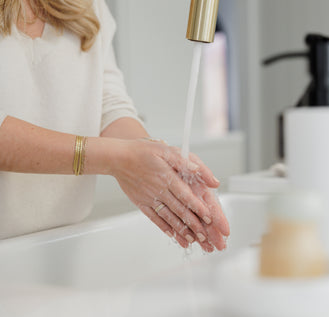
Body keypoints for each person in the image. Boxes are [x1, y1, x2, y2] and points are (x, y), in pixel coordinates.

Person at [0, 0, 229, 252]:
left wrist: (161, 166)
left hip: (63, 244)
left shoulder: (87, 4)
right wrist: (117, 159)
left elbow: (108, 104)